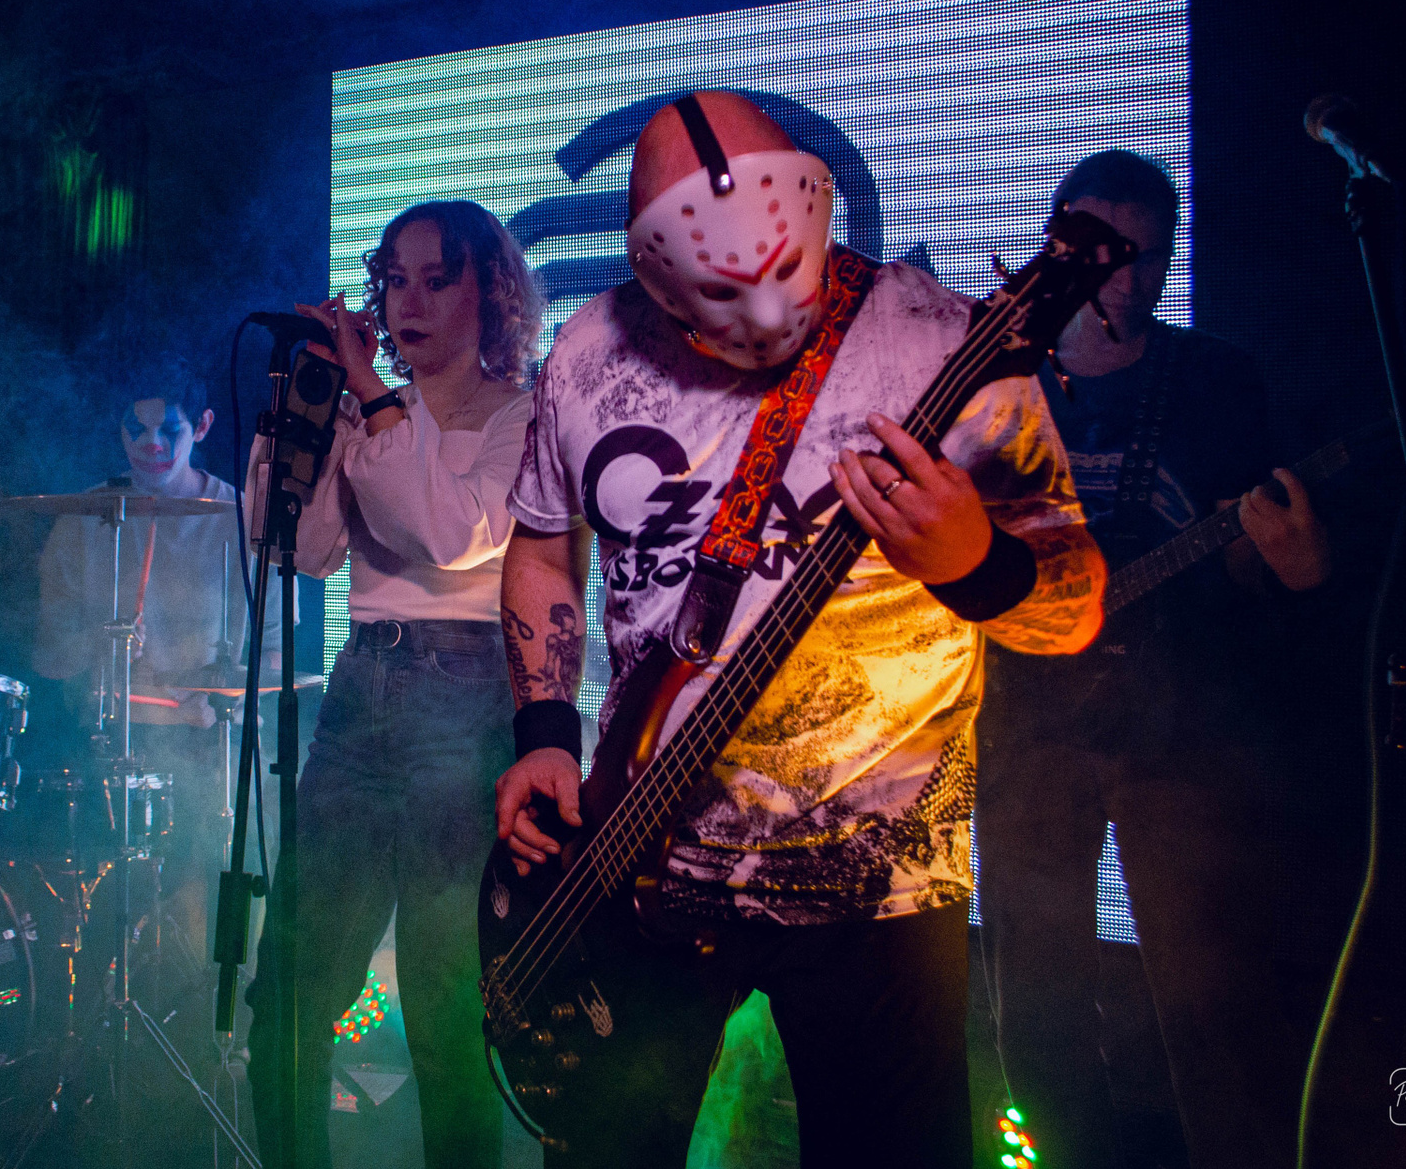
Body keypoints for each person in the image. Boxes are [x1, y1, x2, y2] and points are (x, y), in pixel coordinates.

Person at [491, 91, 1106, 1167]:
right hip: (640, 860)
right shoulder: (588, 352)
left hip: (880, 888)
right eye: (721, 304)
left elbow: (1076, 606)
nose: (767, 321)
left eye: (790, 278)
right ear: (655, 280)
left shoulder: (941, 341)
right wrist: (543, 724)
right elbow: (544, 541)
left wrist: (977, 561)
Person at [973, 149, 1330, 1169]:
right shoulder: (992, 379)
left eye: (1153, 257)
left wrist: (1292, 564)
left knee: (1212, 997)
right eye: (1107, 256)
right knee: (1035, 995)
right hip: (1023, 728)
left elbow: (1249, 566)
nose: (1129, 281)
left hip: (1178, 732)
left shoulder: (1215, 378)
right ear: (1057, 249)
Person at [245, 200, 543, 1169]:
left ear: (488, 290)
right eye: (394, 281)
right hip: (361, 690)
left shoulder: (522, 412)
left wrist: (374, 394)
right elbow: (301, 548)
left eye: (435, 280)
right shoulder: (367, 410)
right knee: (289, 992)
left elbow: (454, 535)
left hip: (466, 698)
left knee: (444, 1009)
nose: (407, 302)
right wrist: (305, 410)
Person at [34, 358, 282, 965]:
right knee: (96, 933)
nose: (151, 444)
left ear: (203, 426)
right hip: (106, 745)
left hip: (210, 747)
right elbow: (47, 657)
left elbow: (277, 655)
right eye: (135, 429)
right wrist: (97, 642)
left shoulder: (242, 517)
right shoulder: (82, 518)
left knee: (211, 935)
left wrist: (222, 697)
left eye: (168, 430)